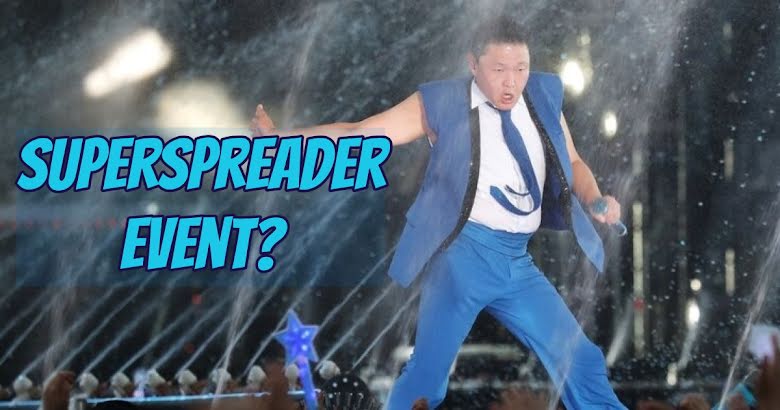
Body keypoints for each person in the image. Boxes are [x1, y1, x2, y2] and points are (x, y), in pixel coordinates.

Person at [253, 15, 625, 409]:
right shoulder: (443, 101)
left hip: (517, 261)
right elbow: (359, 133)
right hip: (461, 257)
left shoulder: (543, 95)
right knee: (427, 378)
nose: (512, 82)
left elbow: (573, 162)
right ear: (473, 64)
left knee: (581, 359)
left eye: (521, 68)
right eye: (499, 69)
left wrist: (594, 199)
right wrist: (281, 140)